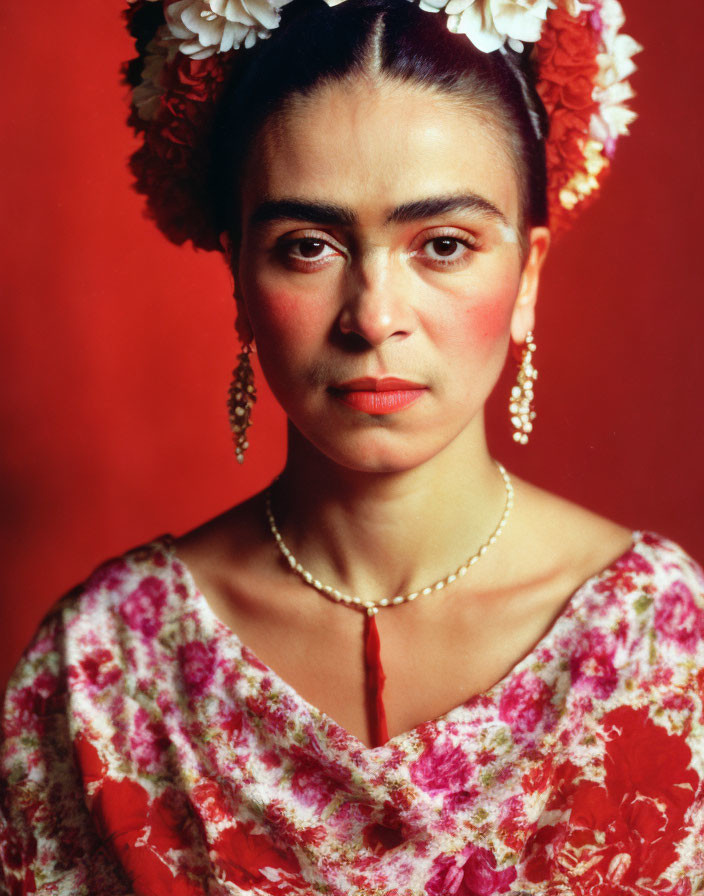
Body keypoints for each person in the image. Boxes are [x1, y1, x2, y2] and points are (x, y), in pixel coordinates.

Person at [1, 0, 703, 892]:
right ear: (237, 276)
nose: (373, 317)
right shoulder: (100, 672)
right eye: (308, 247)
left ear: (527, 276)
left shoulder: (666, 650)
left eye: (442, 245)